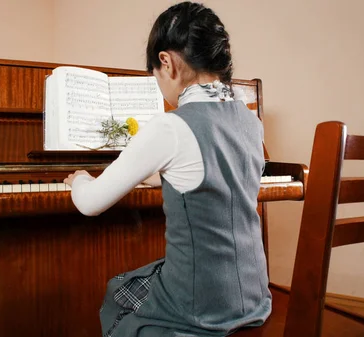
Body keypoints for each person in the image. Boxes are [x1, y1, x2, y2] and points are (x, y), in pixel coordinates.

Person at [63, 2, 271, 336]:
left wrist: (82, 179)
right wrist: (159, 175)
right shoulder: (250, 120)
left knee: (119, 294)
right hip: (254, 297)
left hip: (201, 305)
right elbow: (211, 174)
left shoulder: (170, 127)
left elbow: (89, 203)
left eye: (156, 75)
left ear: (167, 61)